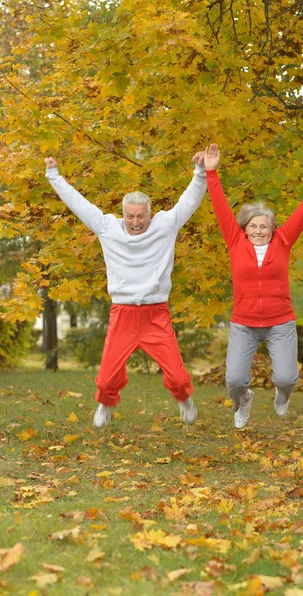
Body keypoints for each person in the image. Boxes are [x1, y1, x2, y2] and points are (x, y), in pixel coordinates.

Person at [45, 152, 207, 428]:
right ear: (123, 215)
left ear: (149, 215)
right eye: (130, 216)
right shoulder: (108, 228)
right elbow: (79, 204)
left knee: (178, 377)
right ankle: (106, 404)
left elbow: (189, 201)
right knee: (107, 379)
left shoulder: (166, 225)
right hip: (123, 314)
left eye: (141, 216)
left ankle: (184, 399)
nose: (136, 222)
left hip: (156, 314)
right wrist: (54, 176)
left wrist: (200, 171)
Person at [204, 144, 303, 429]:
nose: (259, 230)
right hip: (244, 323)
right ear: (245, 228)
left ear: (273, 229)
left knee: (287, 378)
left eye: (264, 226)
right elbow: (220, 207)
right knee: (235, 380)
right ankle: (243, 402)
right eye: (253, 226)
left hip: (280, 323)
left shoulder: (283, 241)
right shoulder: (234, 242)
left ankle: (282, 395)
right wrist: (211, 173)